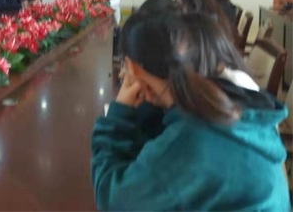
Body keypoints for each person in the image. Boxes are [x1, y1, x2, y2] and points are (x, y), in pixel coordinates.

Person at [91, 11, 289, 211]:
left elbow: (113, 200)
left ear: (132, 67)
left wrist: (117, 117)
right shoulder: (226, 102)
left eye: (124, 66)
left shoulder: (190, 139)